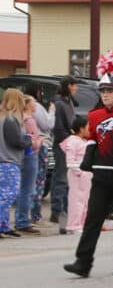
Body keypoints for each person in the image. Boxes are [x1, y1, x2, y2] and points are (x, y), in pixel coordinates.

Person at [63, 52, 113, 278]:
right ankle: (83, 262)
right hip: (101, 176)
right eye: (103, 91)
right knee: (93, 219)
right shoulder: (94, 115)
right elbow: (92, 139)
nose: (106, 94)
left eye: (110, 90)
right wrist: (88, 159)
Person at [0, 88, 31, 238]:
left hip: (3, 161)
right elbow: (15, 141)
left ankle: (4, 226)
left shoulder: (2, 117)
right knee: (8, 195)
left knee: (3, 195)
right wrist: (28, 140)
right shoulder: (11, 119)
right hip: (9, 162)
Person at [14, 94, 44, 235]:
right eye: (33, 102)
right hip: (30, 156)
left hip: (21, 156)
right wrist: (40, 141)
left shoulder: (19, 118)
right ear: (27, 105)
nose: (35, 105)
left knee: (22, 189)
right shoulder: (29, 120)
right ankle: (23, 221)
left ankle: (20, 219)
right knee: (28, 189)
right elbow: (32, 143)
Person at [50, 76, 79, 229]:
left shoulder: (69, 102)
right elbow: (58, 128)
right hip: (63, 145)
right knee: (60, 178)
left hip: (70, 143)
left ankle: (67, 210)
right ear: (69, 86)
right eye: (75, 85)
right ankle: (56, 211)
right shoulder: (59, 104)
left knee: (69, 179)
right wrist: (69, 140)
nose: (76, 88)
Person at [25, 84, 55, 229]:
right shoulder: (35, 109)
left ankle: (29, 216)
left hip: (31, 148)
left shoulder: (24, 113)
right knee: (39, 181)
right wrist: (52, 111)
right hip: (40, 146)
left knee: (31, 183)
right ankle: (35, 216)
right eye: (41, 91)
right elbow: (48, 124)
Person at [61, 116, 92, 235]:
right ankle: (73, 225)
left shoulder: (83, 141)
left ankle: (82, 223)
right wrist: (80, 172)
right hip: (77, 175)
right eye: (88, 127)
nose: (90, 129)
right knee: (76, 200)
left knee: (85, 200)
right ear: (81, 128)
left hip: (85, 175)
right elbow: (70, 161)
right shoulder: (72, 140)